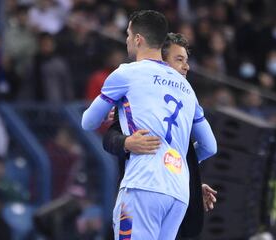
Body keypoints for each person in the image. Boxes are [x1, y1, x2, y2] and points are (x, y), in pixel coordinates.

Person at [81, 10, 217, 240]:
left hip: (143, 185)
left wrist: (110, 112)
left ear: (137, 39)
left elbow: (88, 122)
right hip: (178, 193)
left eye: (127, 34)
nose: (125, 40)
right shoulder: (186, 88)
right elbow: (210, 146)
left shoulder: (126, 74)